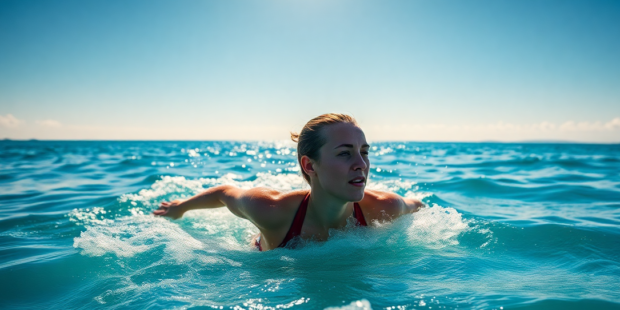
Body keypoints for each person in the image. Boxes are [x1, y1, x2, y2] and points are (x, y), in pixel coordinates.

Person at [153, 113, 423, 250]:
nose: (361, 165)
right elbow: (226, 193)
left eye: (364, 152)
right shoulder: (271, 211)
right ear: (309, 165)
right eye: (344, 153)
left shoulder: (383, 207)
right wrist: (181, 208)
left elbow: (417, 205)